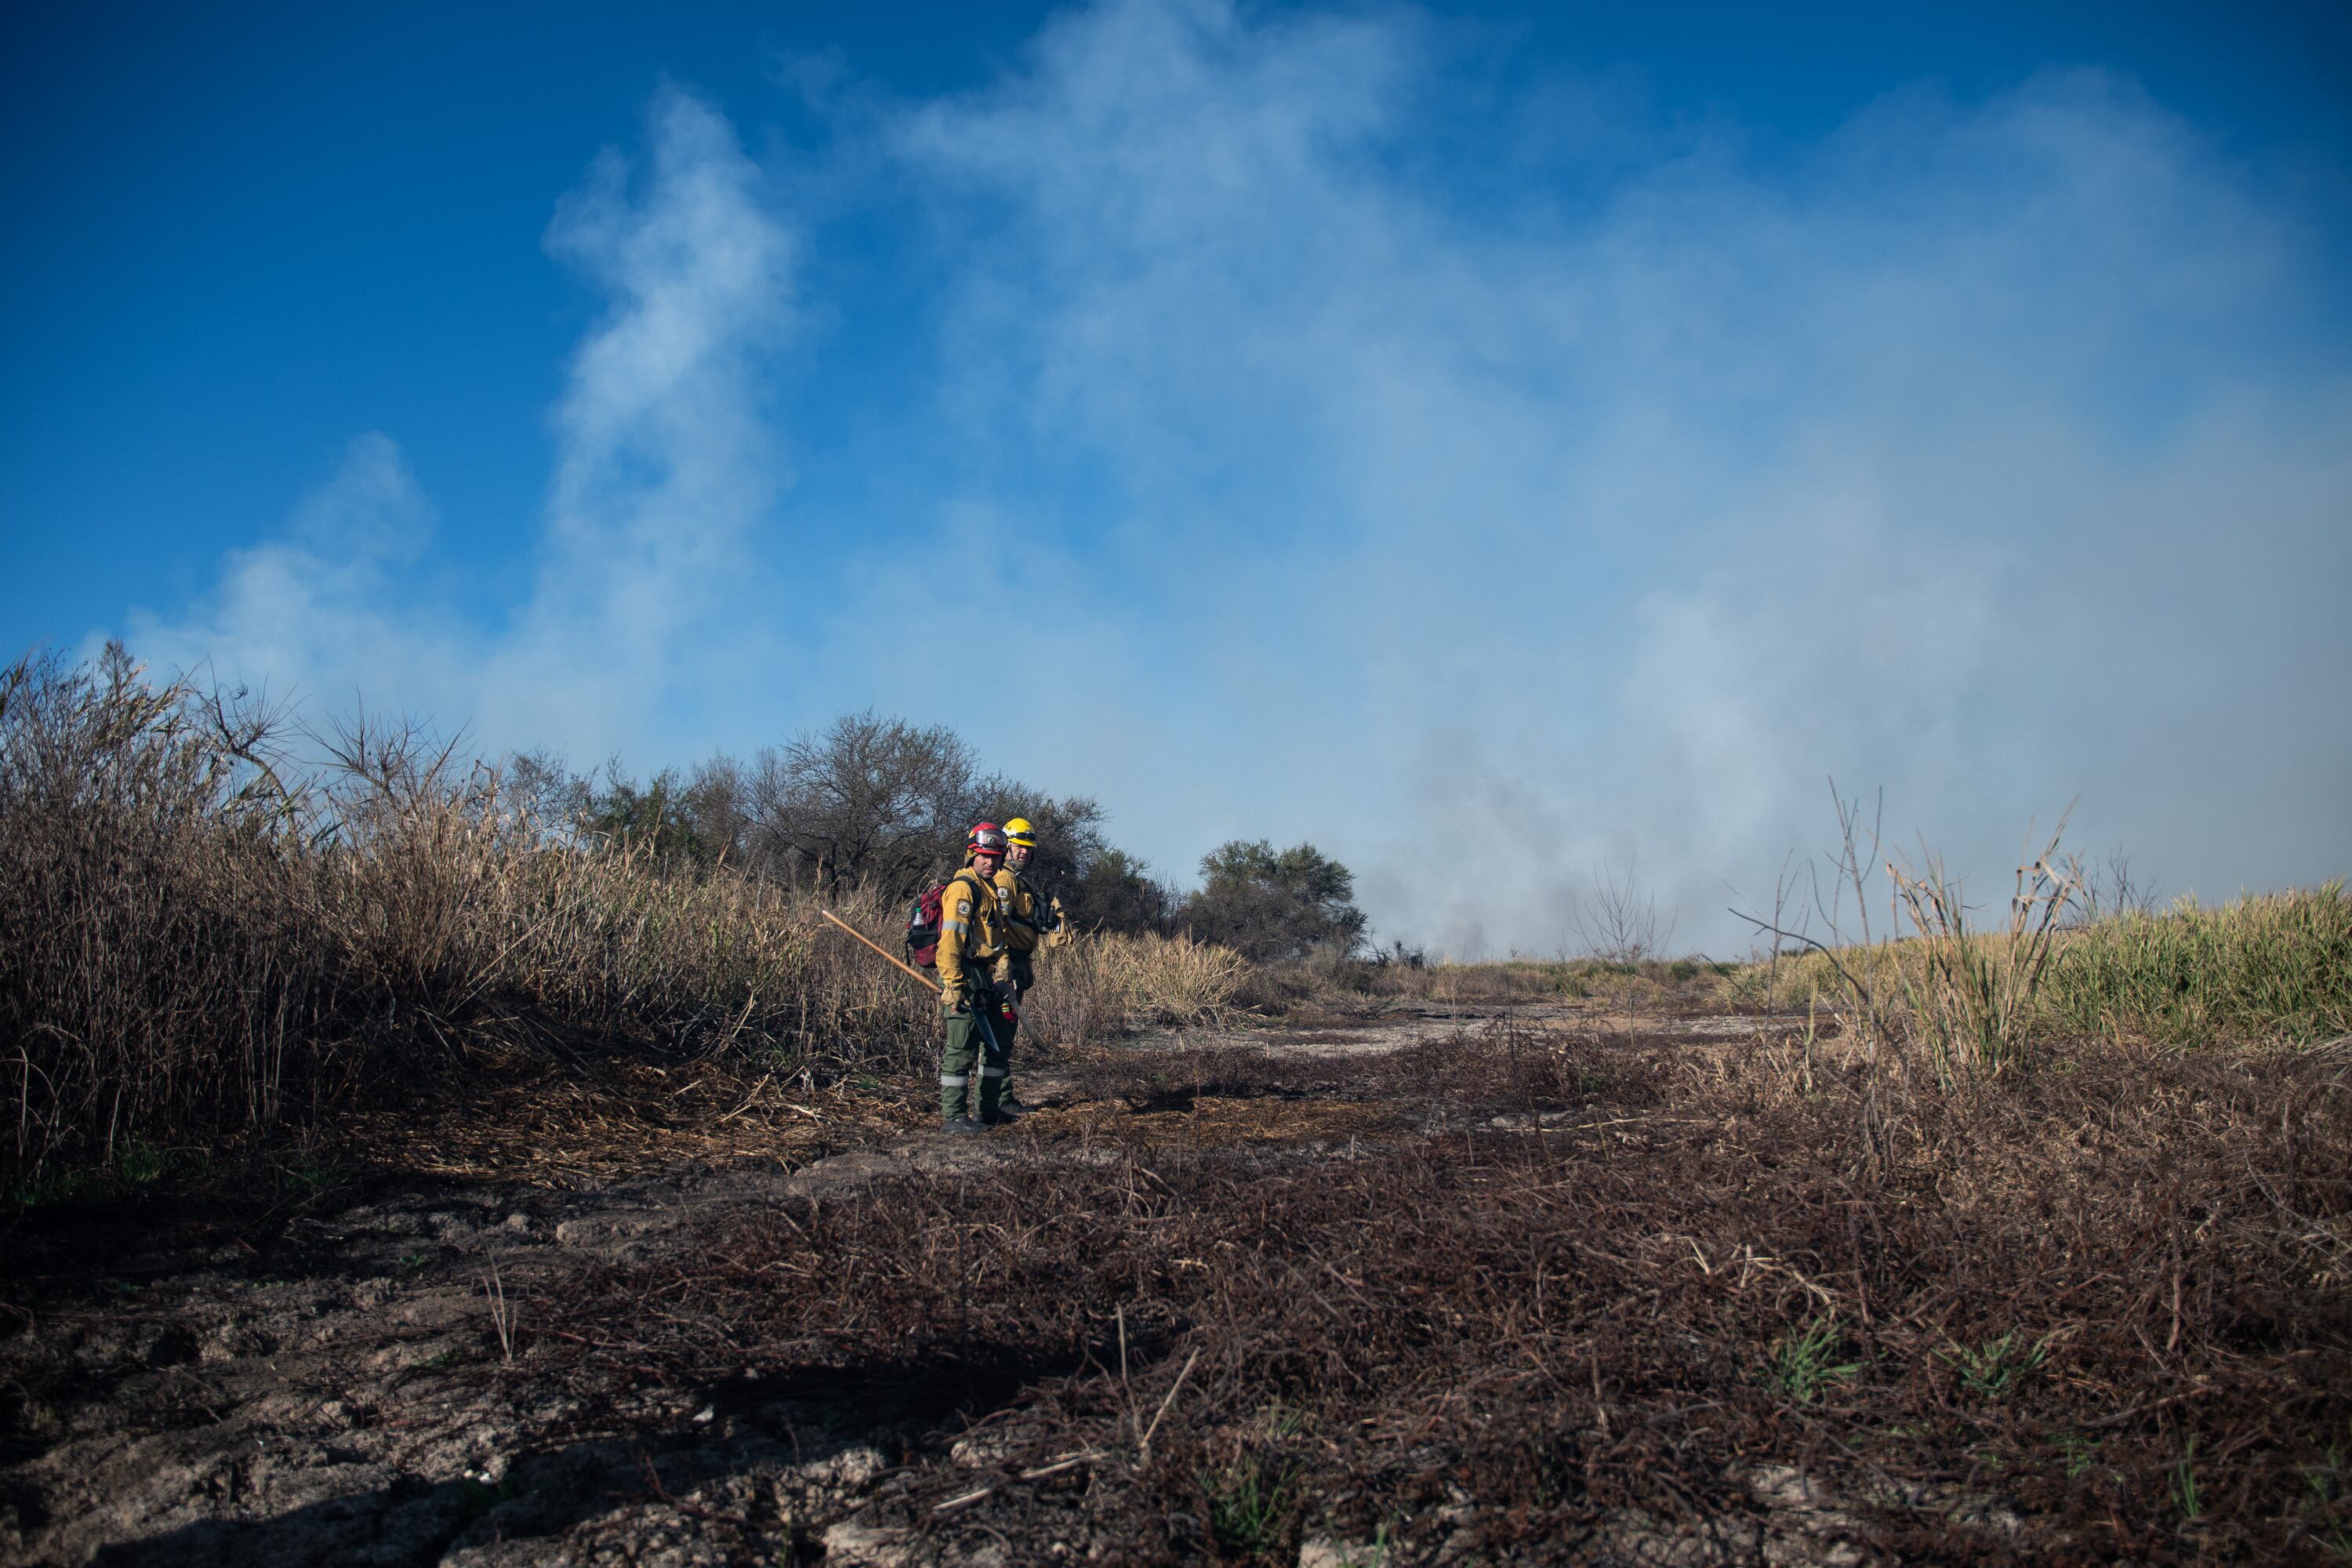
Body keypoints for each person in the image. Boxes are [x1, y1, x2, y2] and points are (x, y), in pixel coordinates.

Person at [935, 822, 1018, 1133]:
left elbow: (995, 937)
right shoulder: (963, 889)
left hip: (985, 977)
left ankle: (990, 1109)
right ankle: (954, 1117)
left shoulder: (990, 889)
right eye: (984, 856)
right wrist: (954, 985)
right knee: (962, 1046)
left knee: (998, 1044)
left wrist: (1001, 972)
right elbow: (950, 943)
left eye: (996, 856)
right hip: (965, 976)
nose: (990, 862)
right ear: (972, 854)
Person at [989, 817, 1066, 1116]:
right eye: (1018, 847)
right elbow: (997, 928)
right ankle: (1001, 1101)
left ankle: (999, 1100)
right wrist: (1003, 970)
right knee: (1001, 1035)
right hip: (1006, 968)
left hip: (1018, 964)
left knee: (1003, 1034)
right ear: (1006, 847)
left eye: (1027, 848)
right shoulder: (1005, 880)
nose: (1023, 852)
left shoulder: (1019, 881)